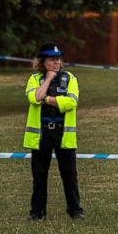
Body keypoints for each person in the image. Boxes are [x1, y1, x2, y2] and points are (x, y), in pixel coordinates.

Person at [22, 42, 84, 221]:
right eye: (51, 59)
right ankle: (37, 212)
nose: (56, 63)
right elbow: (34, 97)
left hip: (63, 134)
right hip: (41, 135)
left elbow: (71, 102)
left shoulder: (70, 78)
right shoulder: (35, 79)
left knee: (69, 175)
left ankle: (75, 210)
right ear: (42, 62)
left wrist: (48, 99)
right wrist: (48, 79)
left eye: (58, 59)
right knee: (39, 176)